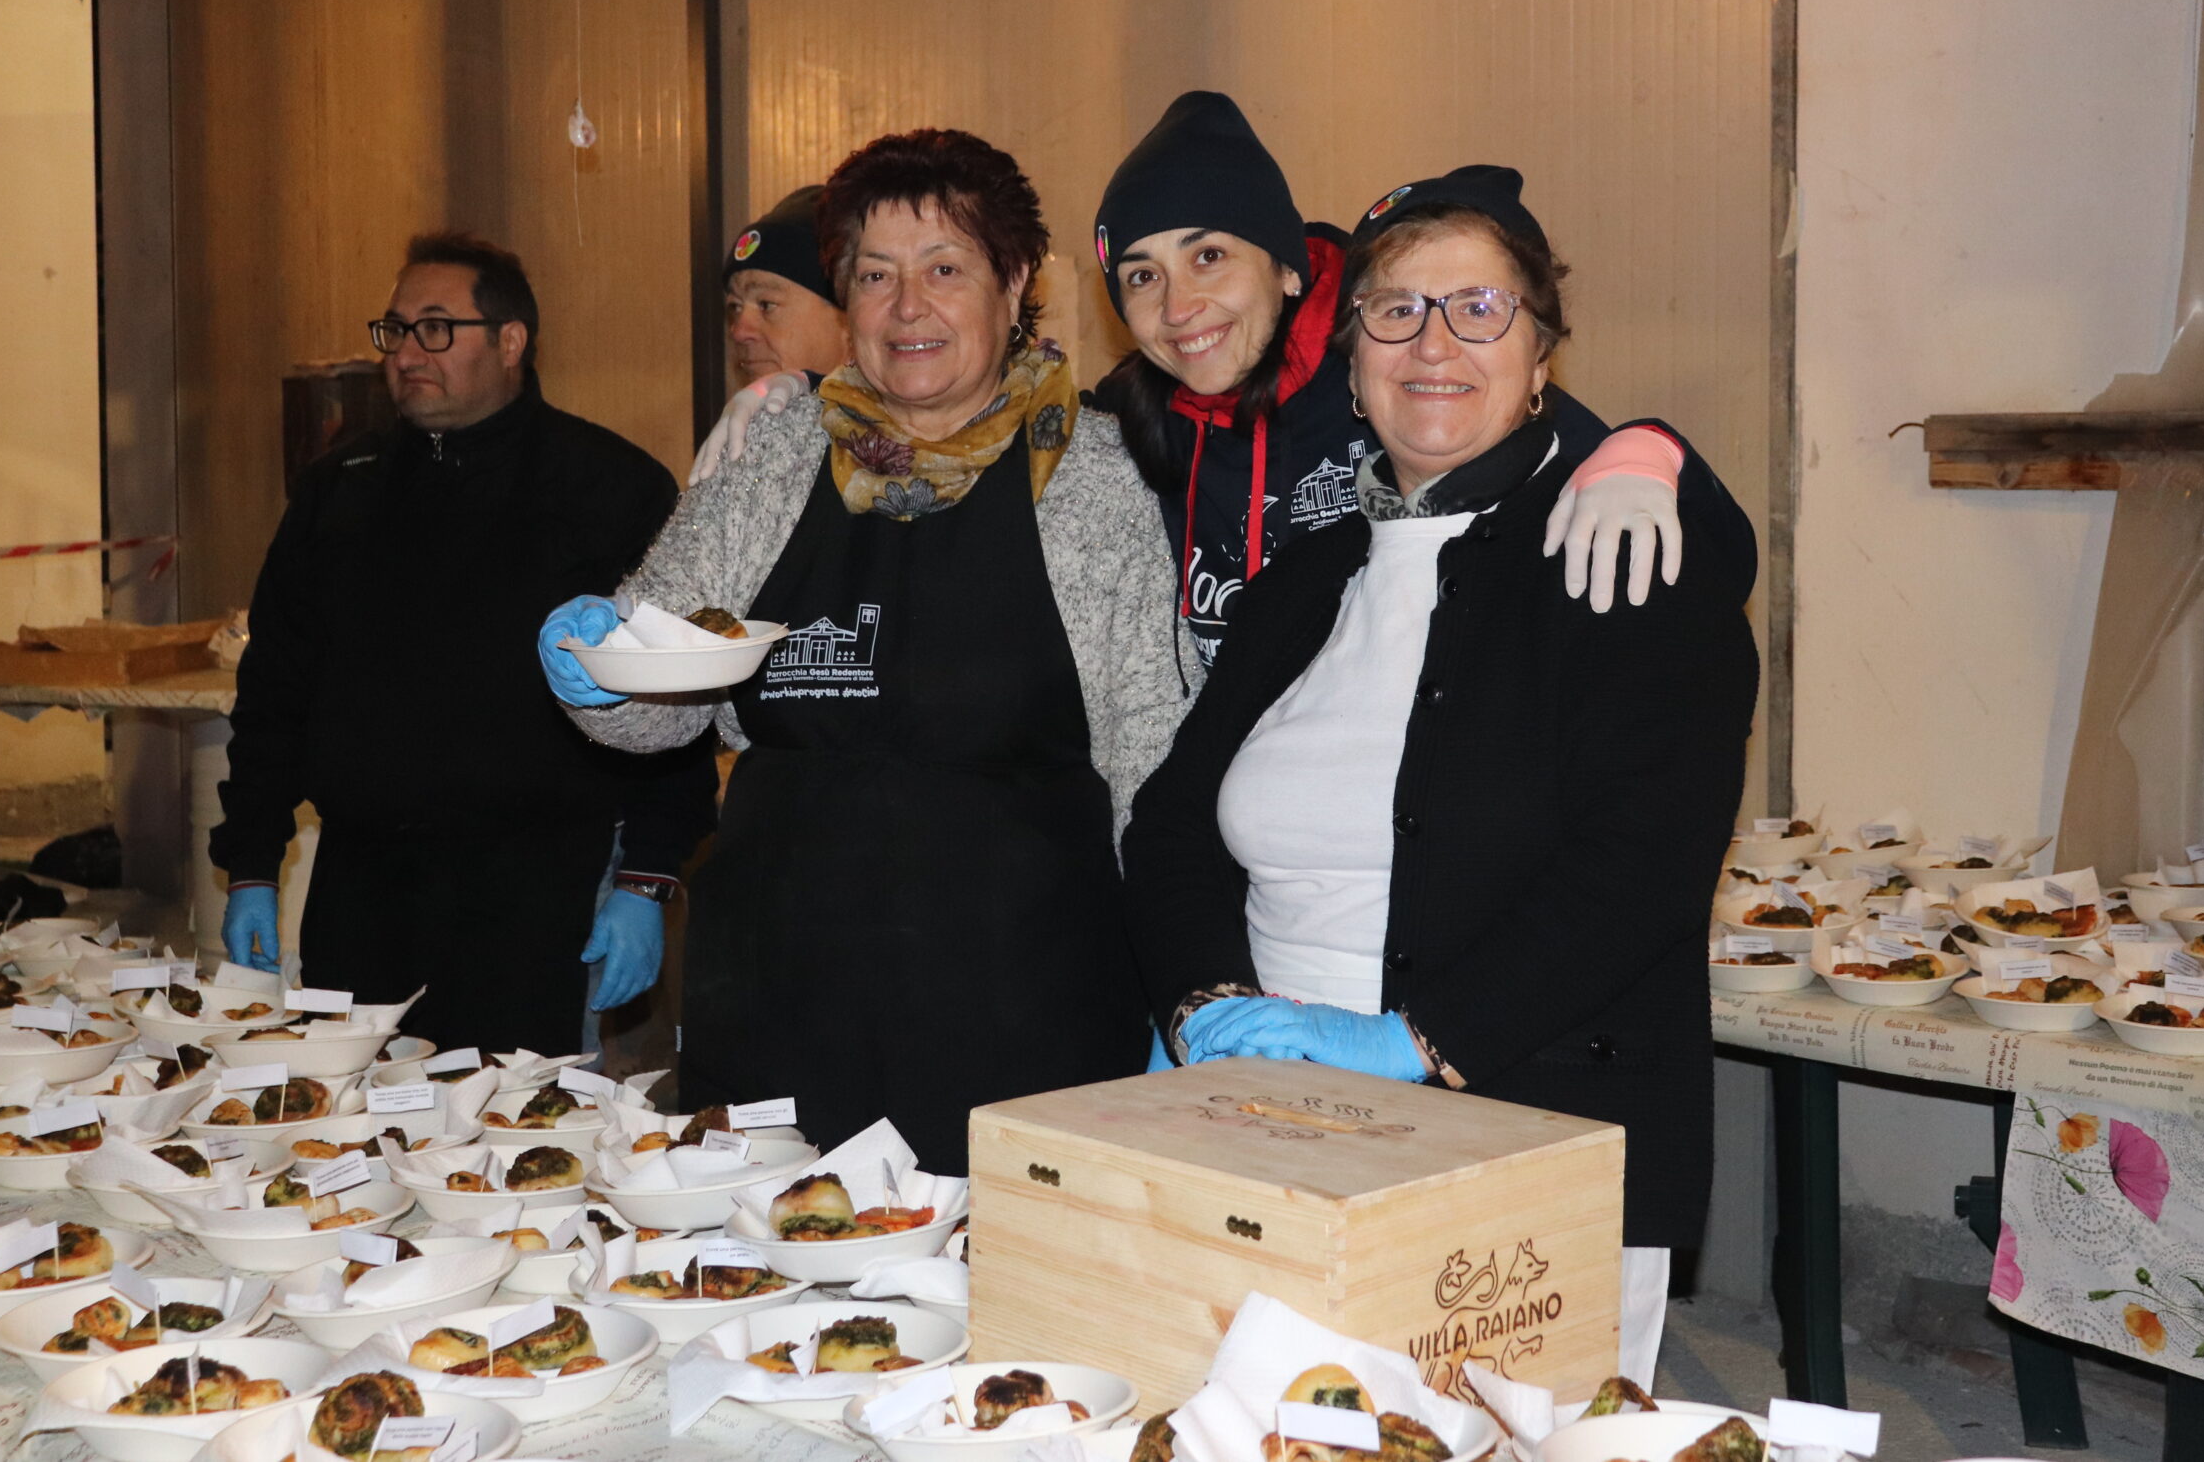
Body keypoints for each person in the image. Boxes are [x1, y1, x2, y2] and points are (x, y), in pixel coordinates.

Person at [1121, 168, 1759, 1390]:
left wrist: (1416, 1042)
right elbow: (1171, 828)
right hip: (1262, 1124)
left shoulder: (1623, 557)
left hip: (1526, 1137)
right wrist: (1199, 1001)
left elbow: (1642, 871)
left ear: (1540, 352)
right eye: (1395, 311)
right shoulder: (1303, 581)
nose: (1432, 345)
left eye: (1478, 309)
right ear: (1351, 357)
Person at [538, 131, 1185, 1171]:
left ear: (1016, 280)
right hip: (774, 1005)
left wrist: (1176, 990)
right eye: (875, 276)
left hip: (1024, 1020)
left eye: (945, 269)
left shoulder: (1097, 477)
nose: (906, 307)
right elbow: (656, 687)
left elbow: (1154, 766)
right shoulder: (778, 453)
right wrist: (595, 670)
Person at [212, 232, 718, 1056]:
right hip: (363, 892)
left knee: (517, 1126)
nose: (407, 352)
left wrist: (646, 876)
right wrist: (252, 864)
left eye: (436, 328)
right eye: (396, 329)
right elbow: (275, 691)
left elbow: (673, 693)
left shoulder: (608, 487)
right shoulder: (339, 493)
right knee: (352, 1117)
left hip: (537, 894)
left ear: (511, 340)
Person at [1087, 91, 1738, 671]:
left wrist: (1650, 448)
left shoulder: (1396, 374)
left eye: (1209, 256)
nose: (1179, 307)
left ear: (1286, 268)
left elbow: (1669, 535)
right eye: (1142, 276)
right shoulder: (1128, 424)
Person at [689, 186, 853, 486]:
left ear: (848, 321)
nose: (739, 331)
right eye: (735, 307)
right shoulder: (741, 447)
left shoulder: (891, 454)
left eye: (766, 305)